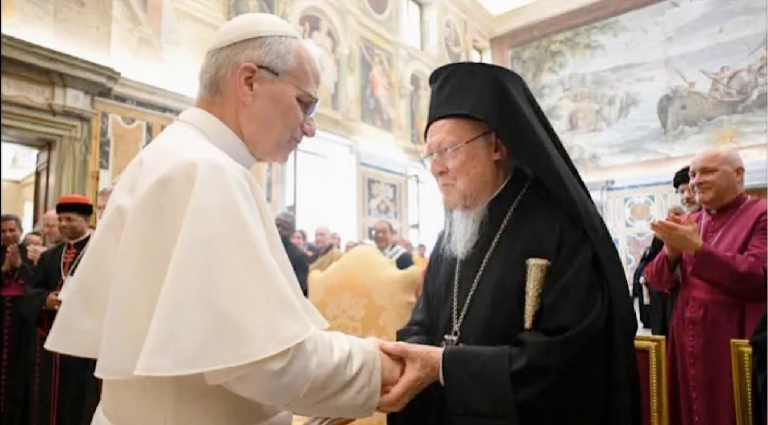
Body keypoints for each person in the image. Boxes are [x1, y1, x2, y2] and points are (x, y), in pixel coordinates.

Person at [43, 13, 401, 425]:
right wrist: (381, 368)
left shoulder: (169, 154)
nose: (310, 127)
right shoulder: (209, 171)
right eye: (305, 103)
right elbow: (265, 362)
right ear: (249, 82)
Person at [380, 63, 639, 424]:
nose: (436, 168)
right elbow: (423, 320)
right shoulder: (453, 234)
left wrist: (446, 366)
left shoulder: (559, 229)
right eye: (430, 155)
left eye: (447, 149)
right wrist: (402, 358)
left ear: (497, 147)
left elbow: (570, 360)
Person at [645, 148, 767, 425]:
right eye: (693, 174)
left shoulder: (761, 214)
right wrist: (671, 252)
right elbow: (656, 280)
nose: (696, 181)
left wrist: (697, 250)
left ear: (738, 174)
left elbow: (758, 276)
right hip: (686, 336)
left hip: (733, 335)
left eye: (707, 172)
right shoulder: (692, 221)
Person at [16, 195, 100, 425]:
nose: (63, 224)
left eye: (69, 219)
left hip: (86, 339)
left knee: (81, 397)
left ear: (86, 220)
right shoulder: (50, 256)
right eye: (60, 220)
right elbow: (31, 291)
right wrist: (46, 300)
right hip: (53, 339)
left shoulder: (98, 253)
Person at [633, 166, 699, 336]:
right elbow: (649, 269)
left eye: (690, 190)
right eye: (681, 192)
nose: (686, 196)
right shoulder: (668, 228)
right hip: (671, 306)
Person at [1, 214, 35, 424]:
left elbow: (37, 285)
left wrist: (20, 265)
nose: (8, 235)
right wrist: (4, 269)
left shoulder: (32, 254)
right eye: (3, 231)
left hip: (23, 327)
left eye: (12, 230)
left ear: (21, 231)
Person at [275, 212, 309, 296]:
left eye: (284, 228)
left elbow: (302, 288)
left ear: (292, 231)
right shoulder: (268, 249)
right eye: (277, 226)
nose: (279, 230)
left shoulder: (299, 256)